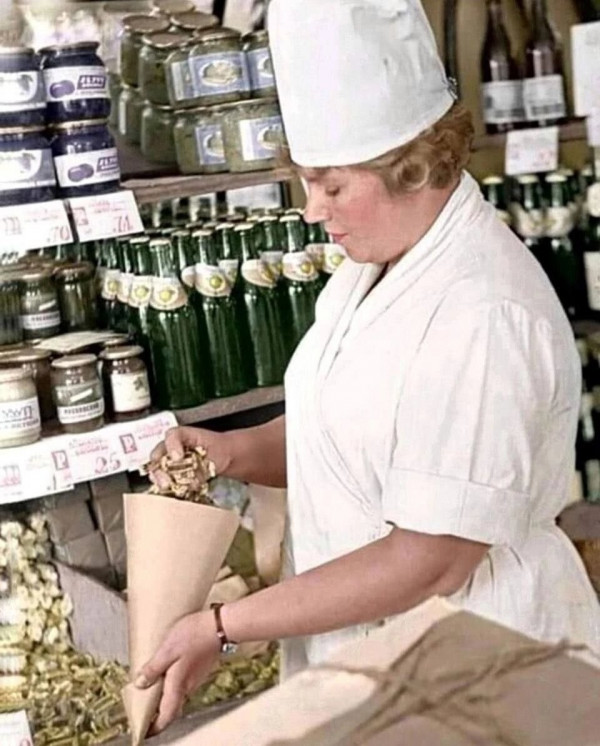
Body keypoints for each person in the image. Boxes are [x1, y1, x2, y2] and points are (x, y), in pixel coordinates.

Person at [135, 0, 600, 734]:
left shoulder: (482, 313)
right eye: (304, 181)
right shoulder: (373, 269)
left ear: (412, 166)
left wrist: (225, 626)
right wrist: (232, 452)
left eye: (332, 185)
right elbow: (348, 432)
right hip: (381, 660)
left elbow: (430, 558)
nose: (312, 210)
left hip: (475, 667)